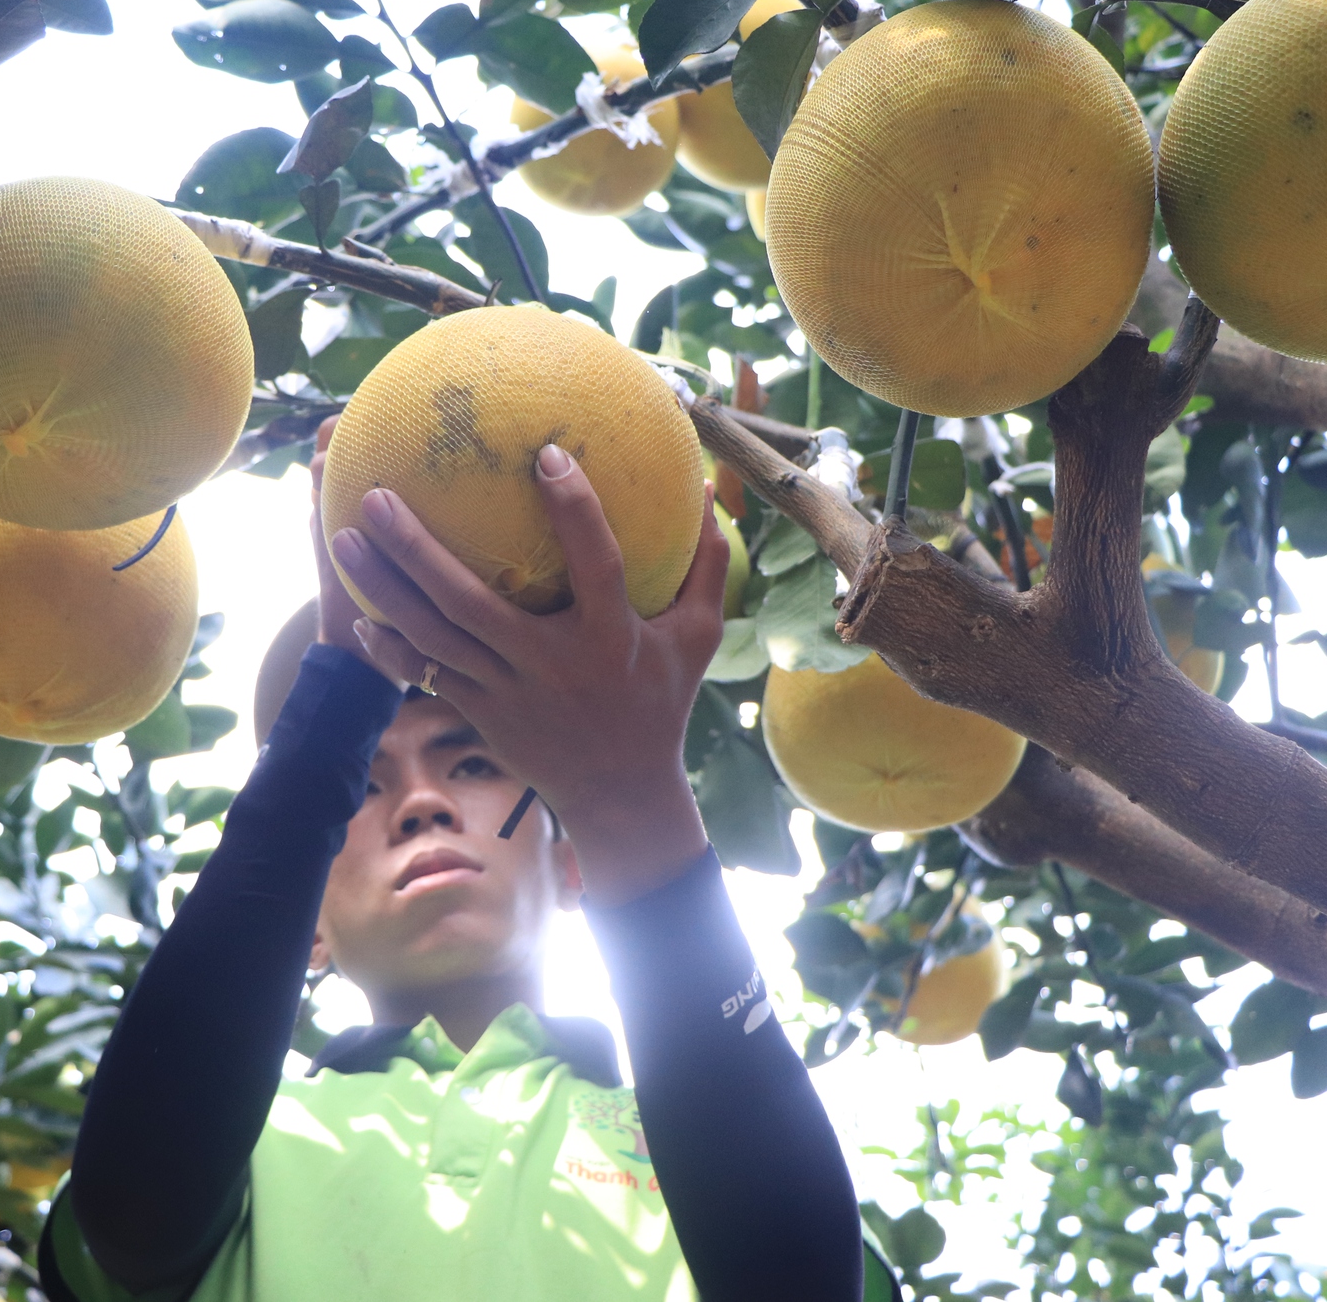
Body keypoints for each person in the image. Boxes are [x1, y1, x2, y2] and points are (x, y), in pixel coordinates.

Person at [43, 425, 881, 1301]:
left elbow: (800, 1280)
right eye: (360, 785)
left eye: (474, 762)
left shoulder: (696, 1138)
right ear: (308, 927)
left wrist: (628, 799)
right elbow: (131, 1217)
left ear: (571, 871)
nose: (422, 802)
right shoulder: (250, 1143)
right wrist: (334, 708)